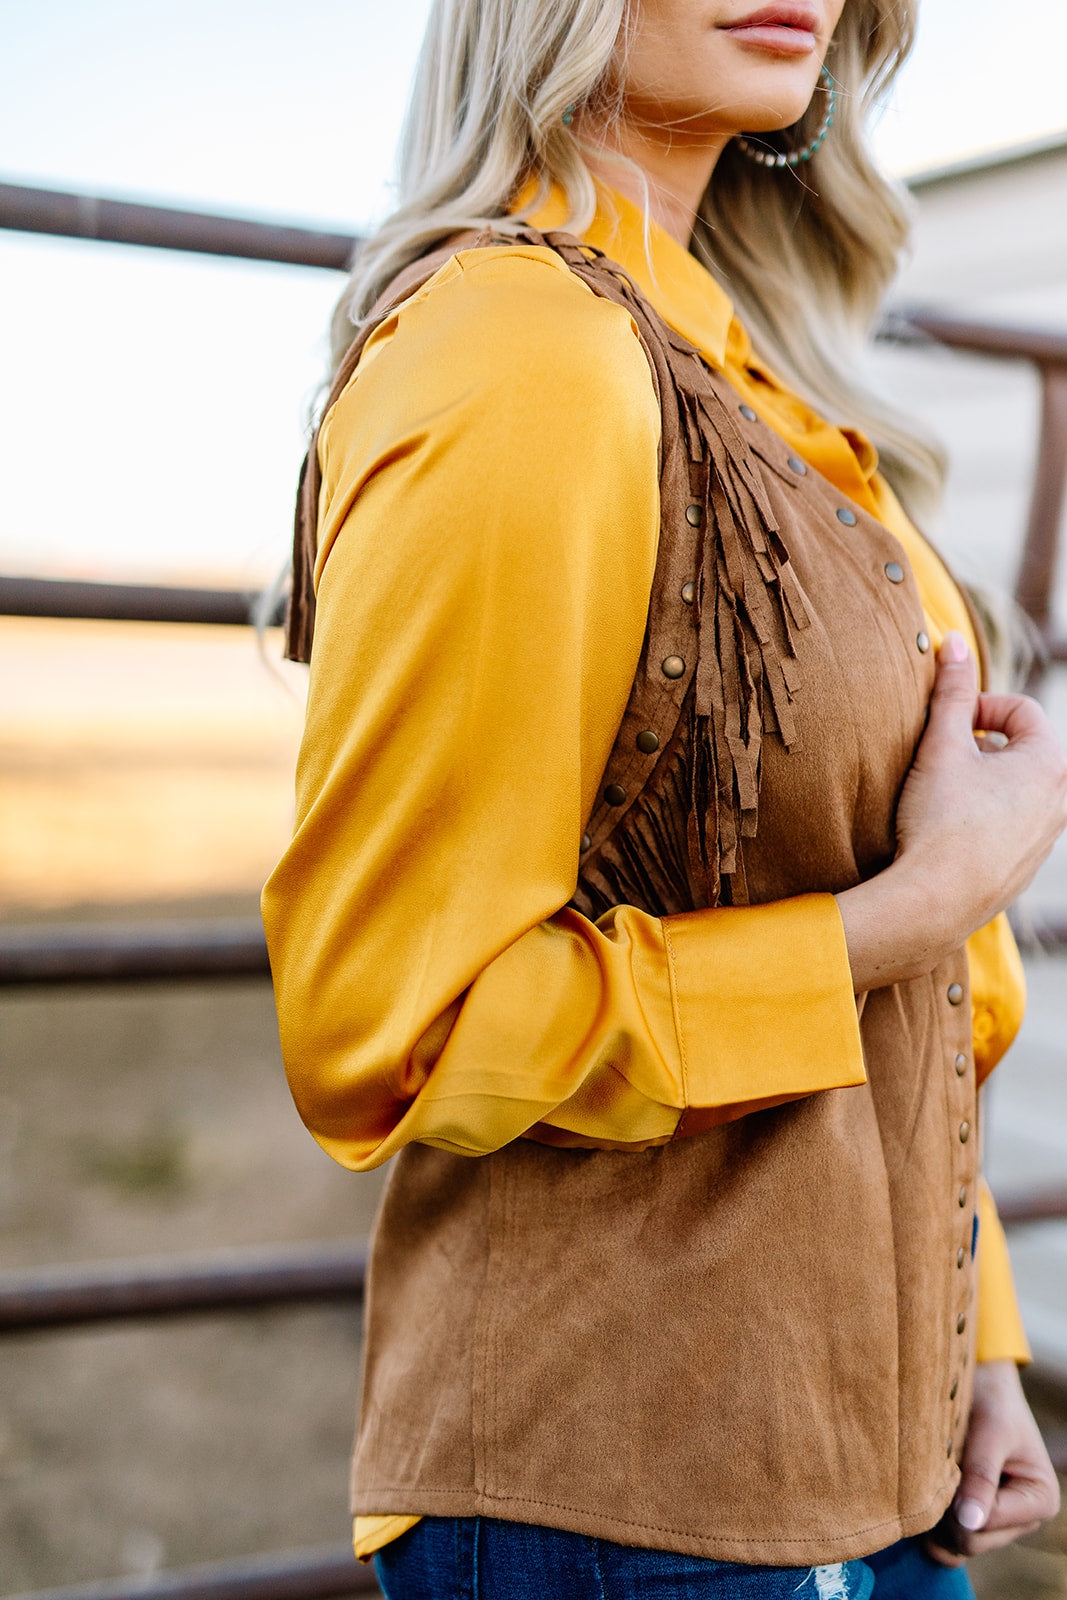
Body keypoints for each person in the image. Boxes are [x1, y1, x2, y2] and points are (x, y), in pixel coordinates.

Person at [262, 0, 1065, 1594]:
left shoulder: (750, 365)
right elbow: (394, 1015)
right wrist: (913, 910)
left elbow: (907, 979)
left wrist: (971, 1338)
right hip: (625, 1500)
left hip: (882, 1476)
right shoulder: (520, 350)